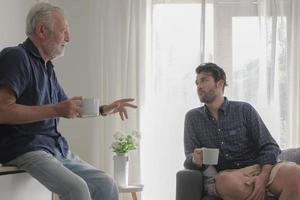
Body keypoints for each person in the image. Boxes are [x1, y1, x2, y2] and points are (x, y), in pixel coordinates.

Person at [0, 3, 137, 200]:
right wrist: (56, 109)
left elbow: (67, 107)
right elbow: (3, 110)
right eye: (63, 31)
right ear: (42, 30)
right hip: (25, 148)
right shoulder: (16, 57)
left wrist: (104, 109)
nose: (68, 38)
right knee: (77, 189)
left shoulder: (47, 67)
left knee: (105, 184)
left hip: (54, 147)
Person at [184, 62, 300, 200]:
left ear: (219, 84)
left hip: (259, 168)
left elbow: (269, 146)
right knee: (224, 181)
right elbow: (189, 158)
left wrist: (262, 178)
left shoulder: (244, 110)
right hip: (229, 175)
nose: (199, 87)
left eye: (204, 80)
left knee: (295, 173)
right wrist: (195, 159)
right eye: (197, 83)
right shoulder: (192, 118)